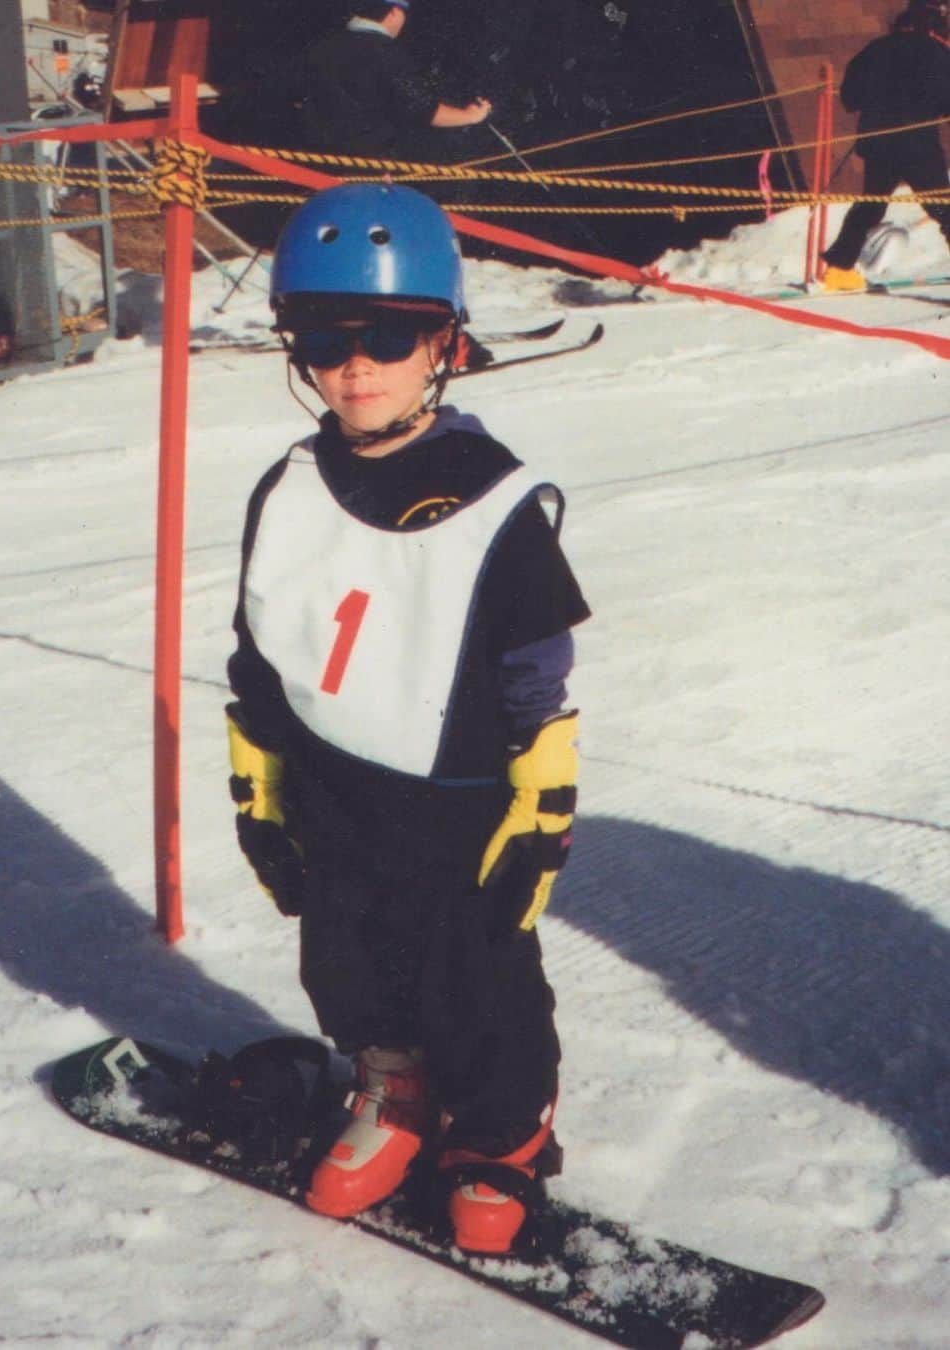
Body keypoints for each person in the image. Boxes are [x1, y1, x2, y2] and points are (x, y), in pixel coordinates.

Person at [224, 182, 590, 1255]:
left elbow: (538, 666)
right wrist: (258, 780)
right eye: (327, 337)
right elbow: (261, 645)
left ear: (447, 343)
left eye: (390, 335)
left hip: (460, 791)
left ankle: (501, 1132)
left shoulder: (492, 495)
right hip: (334, 778)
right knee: (346, 953)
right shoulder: (287, 486)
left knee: (472, 968)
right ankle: (393, 1089)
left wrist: (543, 800)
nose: (357, 364)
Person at [822, 0, 950, 291]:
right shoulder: (937, 53)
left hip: (879, 143)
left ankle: (839, 269)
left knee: (870, 206)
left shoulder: (875, 49)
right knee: (943, 206)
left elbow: (850, 98)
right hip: (919, 145)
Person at [299, 0, 492, 159]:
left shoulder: (323, 45)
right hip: (363, 170)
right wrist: (472, 116)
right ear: (393, 12)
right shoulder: (388, 55)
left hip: (309, 159)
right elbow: (425, 111)